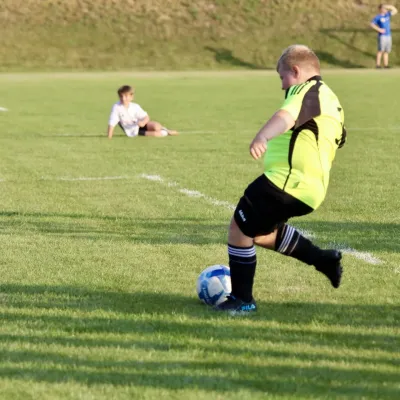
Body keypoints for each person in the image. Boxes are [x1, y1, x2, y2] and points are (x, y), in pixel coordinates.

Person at [215, 45, 347, 315]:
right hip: (311, 189)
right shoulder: (332, 100)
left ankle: (242, 300)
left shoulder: (305, 90)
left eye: (282, 77)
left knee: (239, 229)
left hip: (286, 182)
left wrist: (263, 136)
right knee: (259, 233)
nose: (282, 85)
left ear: (296, 71)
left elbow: (286, 116)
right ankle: (323, 259)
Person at [107, 85, 178, 139]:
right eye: (121, 96)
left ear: (131, 97)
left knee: (156, 126)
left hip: (141, 125)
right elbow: (112, 123)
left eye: (126, 96)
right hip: (133, 130)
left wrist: (143, 122)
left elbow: (146, 117)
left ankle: (168, 131)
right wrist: (109, 137)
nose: (123, 98)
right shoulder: (116, 107)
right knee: (156, 134)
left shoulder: (135, 106)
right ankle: (166, 133)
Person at [370, 4, 398, 68]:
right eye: (383, 8)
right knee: (380, 50)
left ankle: (386, 65)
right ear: (380, 9)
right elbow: (372, 24)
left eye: (385, 8)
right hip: (382, 36)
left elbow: (395, 10)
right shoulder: (378, 17)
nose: (385, 9)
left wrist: (388, 6)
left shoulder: (387, 15)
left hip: (388, 35)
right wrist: (379, 29)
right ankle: (378, 65)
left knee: (386, 51)